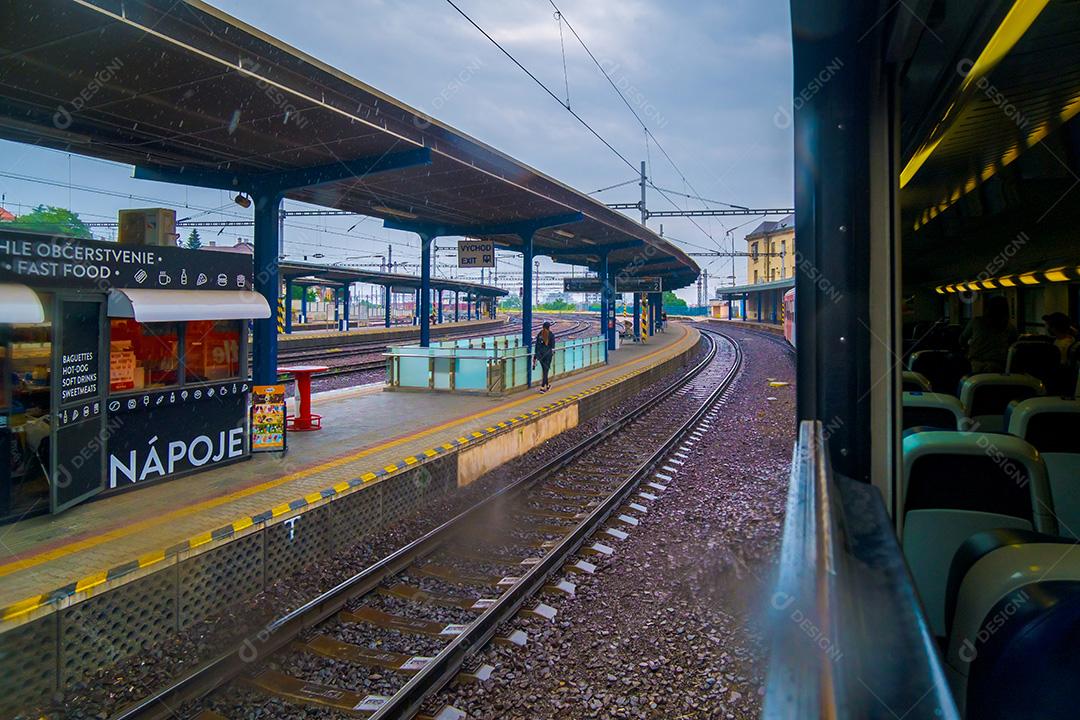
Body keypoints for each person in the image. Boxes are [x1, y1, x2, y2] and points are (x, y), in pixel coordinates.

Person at [959, 295, 1018, 373]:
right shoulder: (1009, 328)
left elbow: (962, 340)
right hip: (998, 368)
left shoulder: (976, 322)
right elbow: (1014, 346)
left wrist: (968, 350)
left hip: (975, 365)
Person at [533, 321, 556, 393]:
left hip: (540, 355)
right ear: (549, 327)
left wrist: (535, 356)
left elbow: (536, 346)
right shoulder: (551, 334)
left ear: (543, 327)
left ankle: (547, 385)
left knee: (544, 370)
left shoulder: (539, 334)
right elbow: (552, 346)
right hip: (548, 355)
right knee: (546, 371)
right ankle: (542, 387)